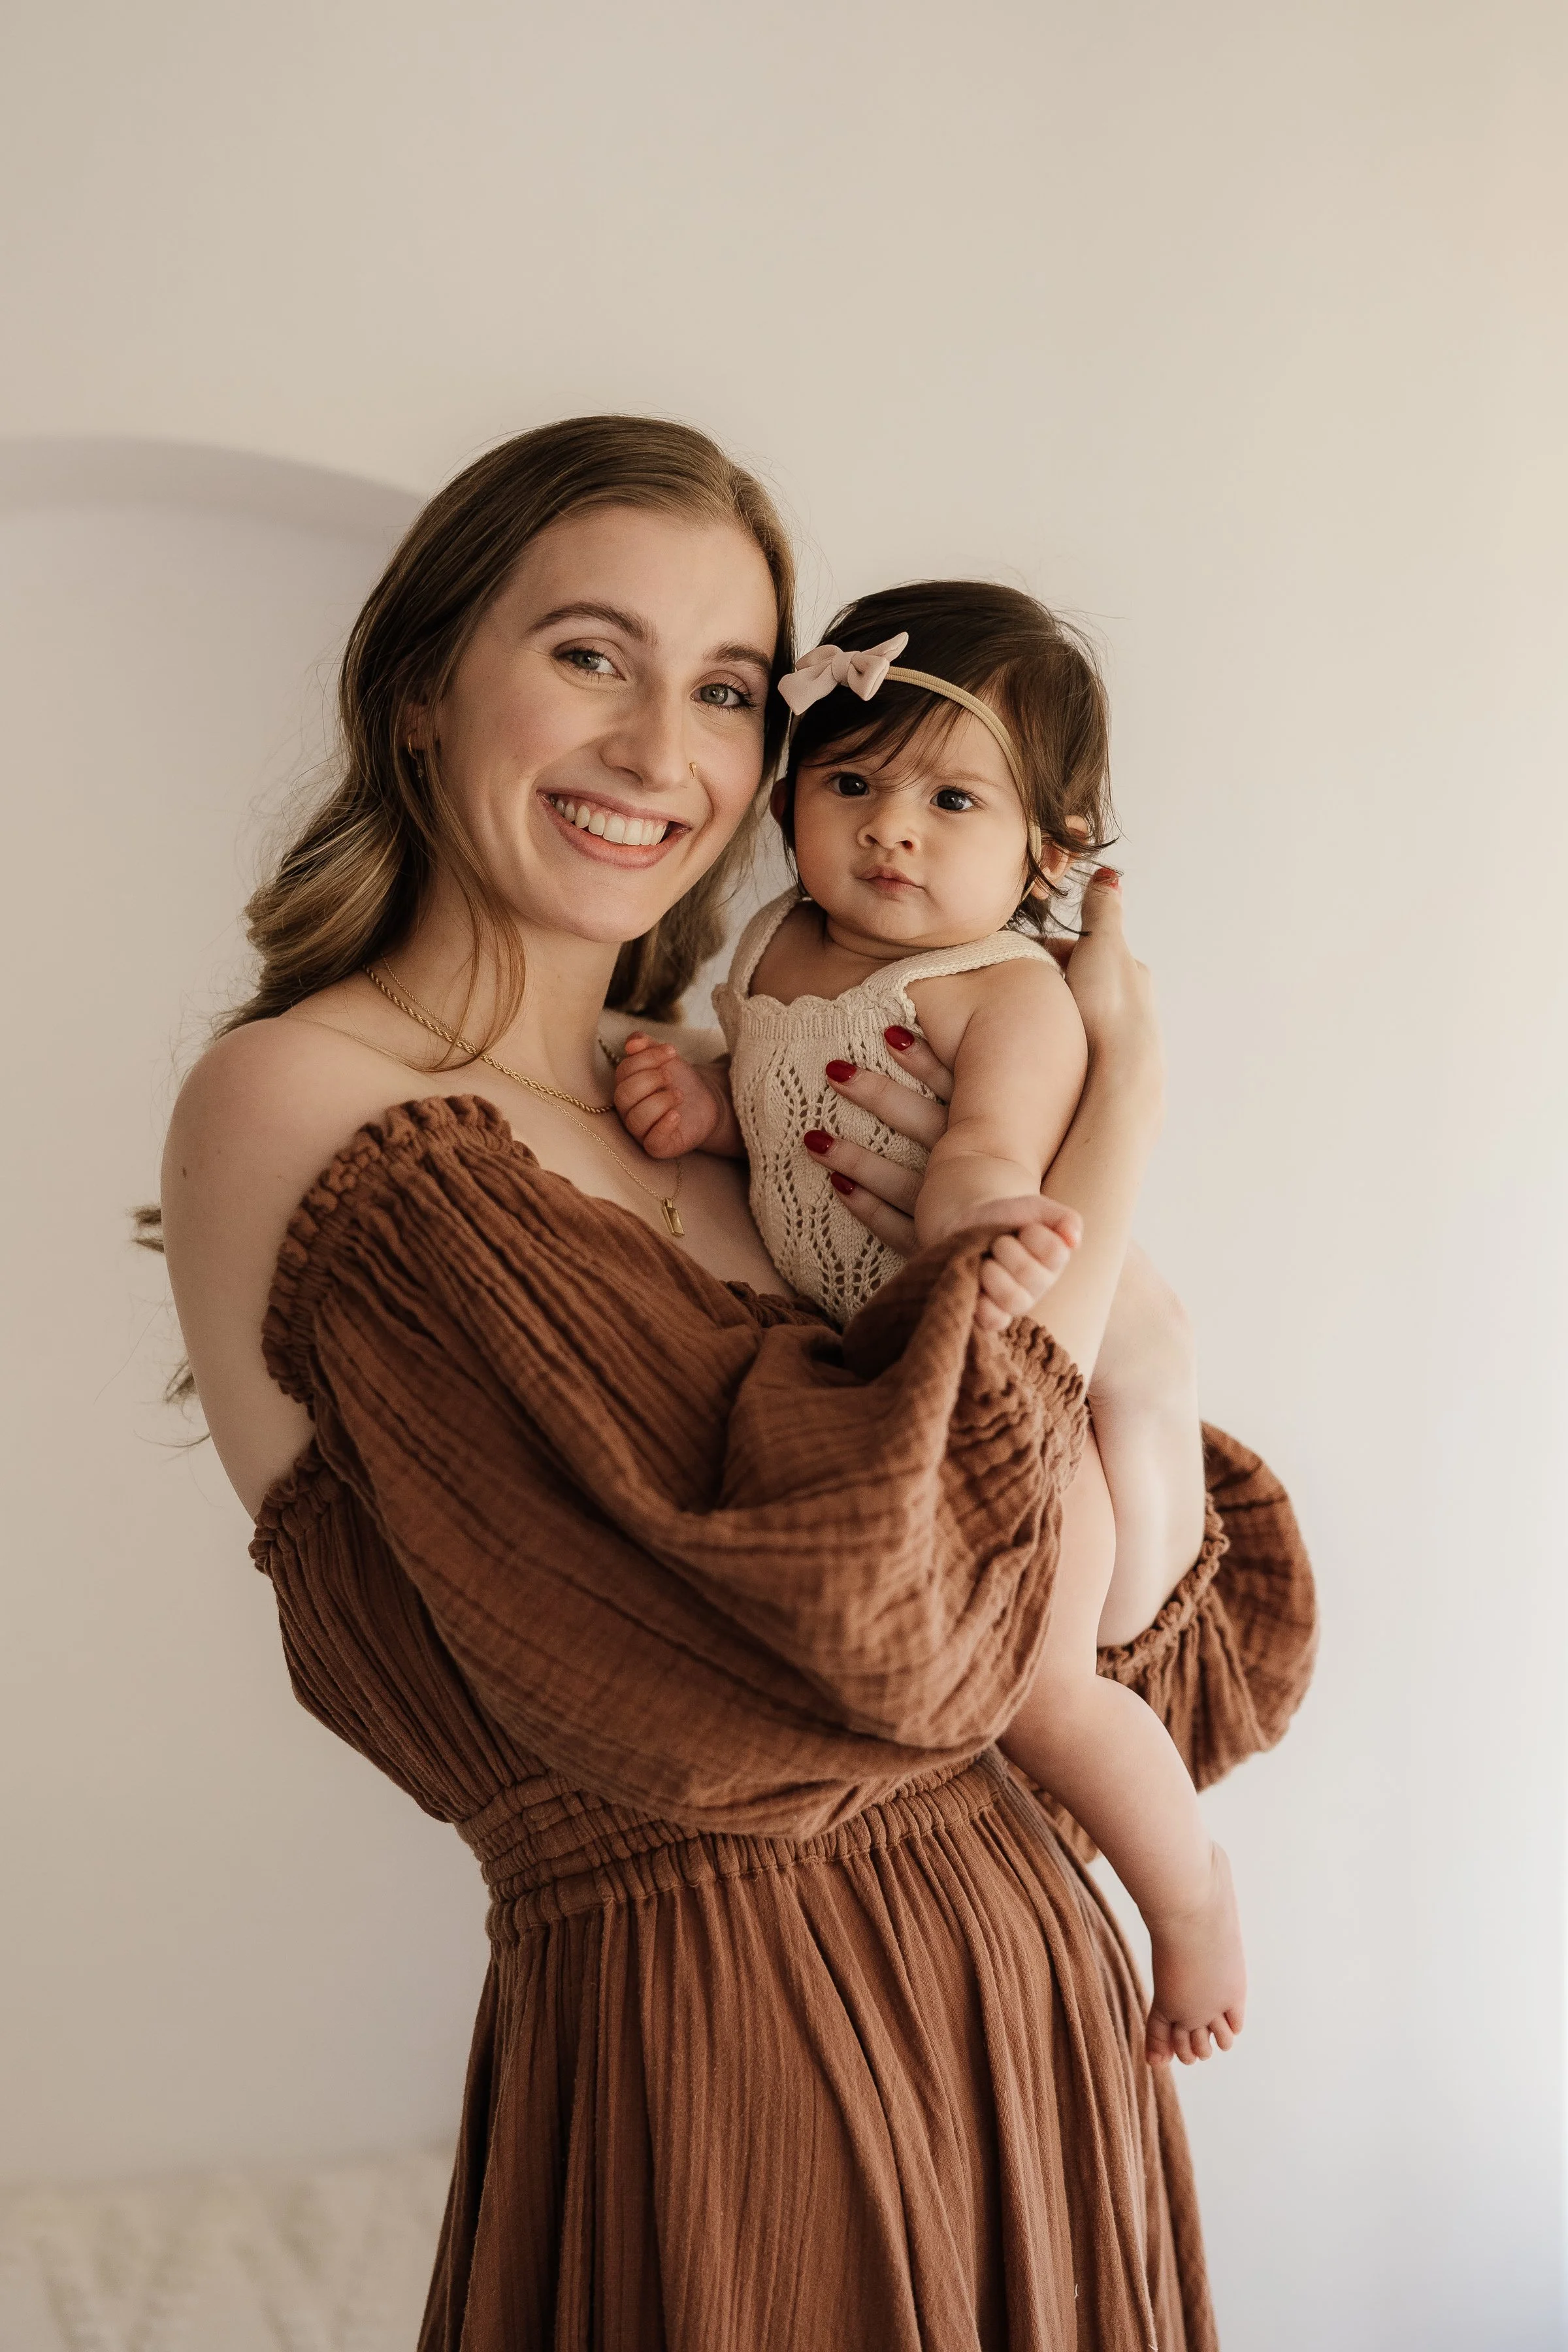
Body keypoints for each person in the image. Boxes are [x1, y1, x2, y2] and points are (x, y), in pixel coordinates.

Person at [157, 413, 1316, 2351]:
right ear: (425, 688)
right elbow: (894, 1629)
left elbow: (1116, 1629)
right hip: (735, 2047)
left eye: (722, 689)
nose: (660, 753)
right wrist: (1124, 1109)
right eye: (590, 655)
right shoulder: (317, 1105)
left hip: (1030, 2018)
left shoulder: (731, 1111)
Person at [611, 580, 1241, 2066]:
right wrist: (704, 1097)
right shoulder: (772, 940)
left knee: (1047, 1687)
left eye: (952, 798)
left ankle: (1194, 1899)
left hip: (1023, 1373)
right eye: (851, 784)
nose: (891, 828)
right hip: (888, 1380)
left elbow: (978, 1162)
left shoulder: (1002, 993)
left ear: (1051, 852)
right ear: (787, 801)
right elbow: (782, 1108)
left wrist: (975, 1226)